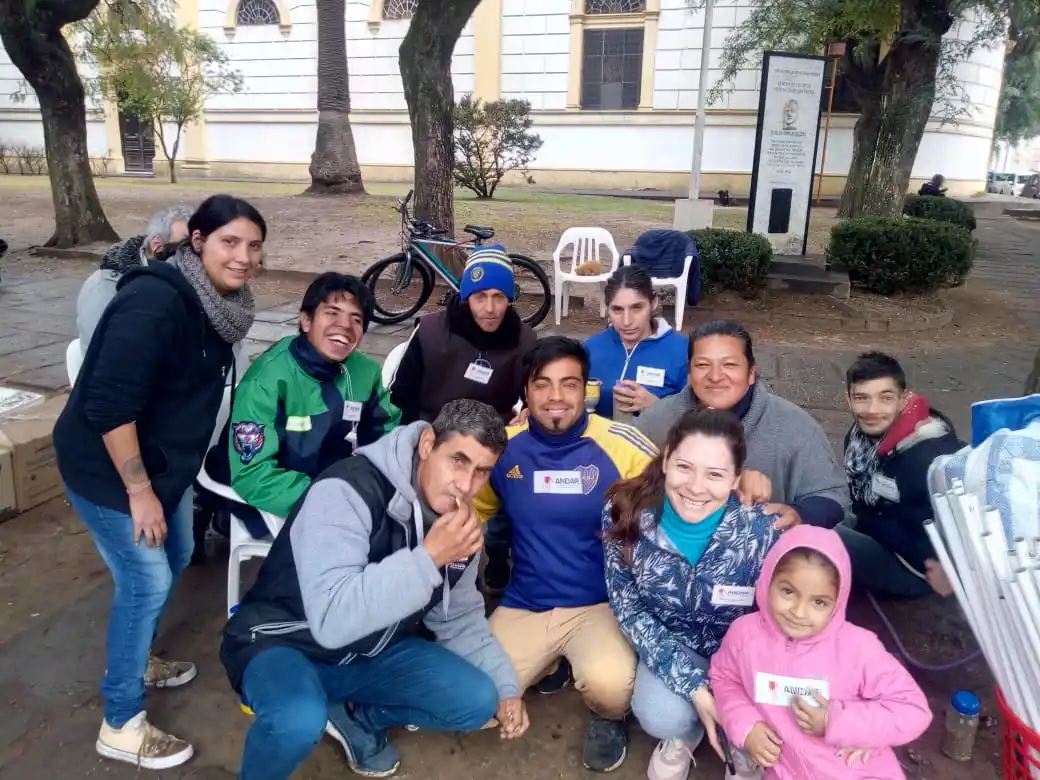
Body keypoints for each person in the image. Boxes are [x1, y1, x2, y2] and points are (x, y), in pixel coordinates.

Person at [53, 194, 263, 769]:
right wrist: (139, 494)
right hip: (107, 471)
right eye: (229, 242)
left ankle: (138, 651)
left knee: (180, 549)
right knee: (145, 579)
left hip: (165, 467)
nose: (243, 257)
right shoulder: (154, 301)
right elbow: (109, 405)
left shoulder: (222, 306)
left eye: (253, 245)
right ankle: (120, 722)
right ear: (196, 241)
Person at [220, 399, 528, 780]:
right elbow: (331, 620)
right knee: (297, 720)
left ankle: (356, 715)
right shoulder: (345, 490)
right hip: (286, 642)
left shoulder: (460, 525)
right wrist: (428, 558)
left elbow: (458, 618)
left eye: (482, 472)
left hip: (373, 650)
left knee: (480, 700)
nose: (466, 485)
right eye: (458, 461)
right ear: (428, 444)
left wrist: (505, 687)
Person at [474, 336, 657, 773]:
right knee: (476, 704)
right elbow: (467, 509)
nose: (556, 397)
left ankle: (607, 716)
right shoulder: (505, 450)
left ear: (586, 390)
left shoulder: (622, 444)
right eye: (543, 384)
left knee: (611, 689)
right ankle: (549, 661)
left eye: (569, 384)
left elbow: (681, 495)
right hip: (525, 602)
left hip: (600, 605)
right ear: (526, 391)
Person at [602, 408, 781, 780]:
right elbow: (627, 606)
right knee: (660, 715)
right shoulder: (625, 511)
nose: (696, 487)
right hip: (672, 643)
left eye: (715, 474)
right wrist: (695, 688)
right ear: (666, 459)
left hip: (743, 652)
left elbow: (777, 620)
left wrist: (738, 696)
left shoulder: (761, 528)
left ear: (736, 478)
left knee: (769, 708)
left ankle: (739, 737)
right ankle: (684, 736)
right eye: (684, 467)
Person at [710, 525, 932, 779]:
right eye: (788, 591)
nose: (799, 612)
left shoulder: (858, 649)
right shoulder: (744, 635)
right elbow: (724, 678)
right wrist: (746, 725)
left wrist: (840, 722)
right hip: (786, 771)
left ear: (838, 601)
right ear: (767, 580)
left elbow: (913, 710)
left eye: (819, 602)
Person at [636, 320, 848, 529]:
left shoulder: (794, 426)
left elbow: (831, 494)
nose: (715, 376)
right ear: (689, 375)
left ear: (751, 374)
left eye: (729, 364)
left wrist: (800, 514)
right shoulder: (657, 420)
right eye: (702, 365)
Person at [226, 272, 400, 523]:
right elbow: (253, 474)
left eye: (356, 319)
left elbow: (388, 434)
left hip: (345, 488)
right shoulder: (268, 380)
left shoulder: (364, 371)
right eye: (332, 313)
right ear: (306, 321)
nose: (345, 326)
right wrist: (329, 497)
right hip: (283, 501)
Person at [837, 352, 962, 598]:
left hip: (912, 567)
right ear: (848, 399)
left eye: (885, 398)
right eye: (861, 398)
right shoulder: (860, 435)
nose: (872, 410)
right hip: (873, 527)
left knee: (810, 534)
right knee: (816, 509)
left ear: (904, 400)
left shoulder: (926, 460)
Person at [390, 244, 536, 424]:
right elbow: (400, 395)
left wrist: (528, 413)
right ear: (466, 298)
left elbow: (537, 395)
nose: (490, 308)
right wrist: (412, 437)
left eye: (499, 296)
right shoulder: (429, 331)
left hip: (492, 439)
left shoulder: (524, 341)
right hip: (430, 432)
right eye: (480, 296)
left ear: (510, 300)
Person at [76, 204, 195, 347]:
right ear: (157, 245)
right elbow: (103, 350)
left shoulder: (190, 281)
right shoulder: (105, 287)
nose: (193, 257)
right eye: (185, 247)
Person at [584, 265, 689, 420]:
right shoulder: (591, 348)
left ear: (653, 303)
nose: (627, 321)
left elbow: (698, 420)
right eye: (617, 310)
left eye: (637, 308)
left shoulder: (682, 352)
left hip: (655, 442)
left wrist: (657, 407)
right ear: (607, 309)